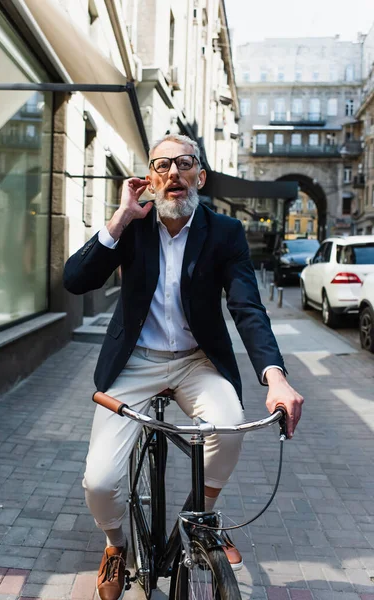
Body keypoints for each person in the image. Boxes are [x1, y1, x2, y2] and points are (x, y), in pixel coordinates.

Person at [63, 133, 304, 600]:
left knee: (230, 424)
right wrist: (119, 219)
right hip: (134, 363)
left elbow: (248, 308)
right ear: (149, 179)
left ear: (201, 176)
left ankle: (201, 517)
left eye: (184, 164)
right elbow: (76, 280)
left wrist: (276, 377)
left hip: (198, 361)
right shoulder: (133, 226)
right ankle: (115, 546)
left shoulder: (225, 233)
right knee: (100, 480)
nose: (174, 172)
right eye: (162, 165)